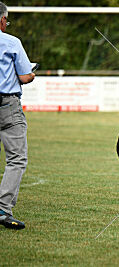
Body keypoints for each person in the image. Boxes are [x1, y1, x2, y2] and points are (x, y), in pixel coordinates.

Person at [0, 1, 35, 230]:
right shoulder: (11, 42)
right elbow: (24, 77)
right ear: (2, 20)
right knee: (16, 159)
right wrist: (32, 73)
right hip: (7, 106)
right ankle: (3, 208)